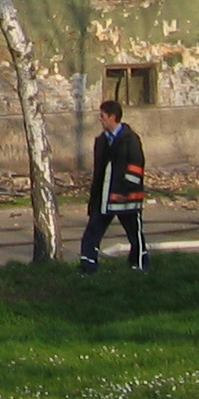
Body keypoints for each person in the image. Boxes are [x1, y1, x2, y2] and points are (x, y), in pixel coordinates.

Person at [79, 98, 148, 272]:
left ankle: (139, 264)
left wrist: (125, 190)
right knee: (92, 232)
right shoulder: (101, 141)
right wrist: (94, 198)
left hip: (126, 199)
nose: (100, 119)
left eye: (102, 116)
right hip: (104, 198)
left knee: (134, 233)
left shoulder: (130, 139)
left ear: (112, 117)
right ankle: (88, 267)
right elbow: (99, 172)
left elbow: (136, 166)